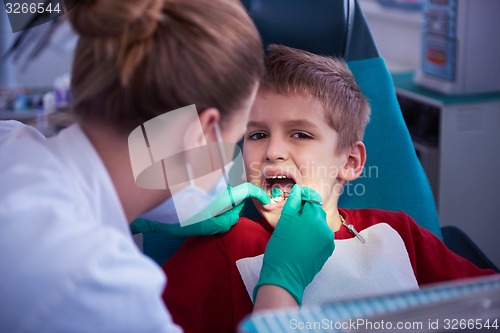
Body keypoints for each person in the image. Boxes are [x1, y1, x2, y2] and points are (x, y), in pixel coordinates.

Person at [0, 1, 335, 332]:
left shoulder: (9, 139)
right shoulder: (97, 279)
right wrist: (281, 287)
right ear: (201, 132)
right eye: (249, 134)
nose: (273, 152)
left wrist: (142, 217)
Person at [161, 44, 496, 333]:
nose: (273, 151)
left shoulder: (397, 233)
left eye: (300, 134)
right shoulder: (226, 247)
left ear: (350, 162)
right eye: (257, 134)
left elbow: (487, 309)